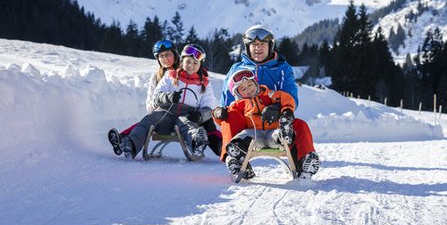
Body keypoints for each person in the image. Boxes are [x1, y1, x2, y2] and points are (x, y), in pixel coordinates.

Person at [213, 25, 320, 179]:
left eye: (262, 44)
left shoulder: (281, 68)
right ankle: (235, 160)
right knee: (229, 117)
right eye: (254, 45)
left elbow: (290, 96)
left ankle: (304, 164)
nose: (258, 48)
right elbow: (227, 100)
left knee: (300, 125)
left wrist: (277, 108)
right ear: (247, 47)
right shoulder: (237, 69)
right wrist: (220, 112)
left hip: (274, 123)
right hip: (246, 124)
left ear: (270, 46)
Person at [120, 43, 218, 160]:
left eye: (195, 63)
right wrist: (169, 97)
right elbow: (156, 97)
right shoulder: (170, 75)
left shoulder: (204, 84)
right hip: (166, 114)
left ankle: (196, 143)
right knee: (149, 118)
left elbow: (208, 107)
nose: (191, 66)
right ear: (182, 61)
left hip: (187, 115)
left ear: (200, 65)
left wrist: (199, 115)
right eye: (188, 62)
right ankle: (132, 146)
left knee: (187, 125)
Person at [213, 68, 297, 178]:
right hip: (254, 136)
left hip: (272, 132)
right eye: (243, 89)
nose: (248, 89)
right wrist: (217, 112)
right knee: (244, 135)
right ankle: (236, 149)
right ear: (237, 93)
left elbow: (285, 97)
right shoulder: (239, 104)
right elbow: (226, 117)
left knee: (277, 134)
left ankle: (285, 135)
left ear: (255, 83)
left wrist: (286, 110)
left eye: (250, 84)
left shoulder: (268, 94)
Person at [107, 39, 180, 155]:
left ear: (175, 55)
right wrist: (155, 106)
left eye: (168, 54)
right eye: (161, 56)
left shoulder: (184, 74)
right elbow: (150, 102)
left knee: (151, 119)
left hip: (180, 119)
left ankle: (123, 137)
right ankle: (129, 144)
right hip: (162, 120)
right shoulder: (155, 78)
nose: (165, 58)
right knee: (151, 117)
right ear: (158, 59)